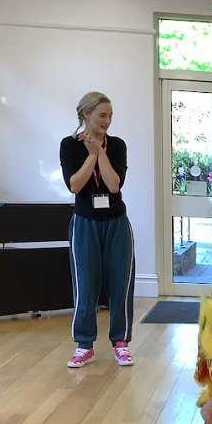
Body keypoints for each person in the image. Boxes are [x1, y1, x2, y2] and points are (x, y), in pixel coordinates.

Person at [60, 91, 136, 369]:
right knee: (85, 285)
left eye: (110, 116)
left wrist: (101, 151)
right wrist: (91, 155)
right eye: (102, 115)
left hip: (116, 221)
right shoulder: (69, 146)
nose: (107, 121)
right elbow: (75, 185)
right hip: (85, 222)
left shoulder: (117, 145)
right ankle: (84, 345)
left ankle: (121, 343)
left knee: (120, 284)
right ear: (86, 114)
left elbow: (114, 185)